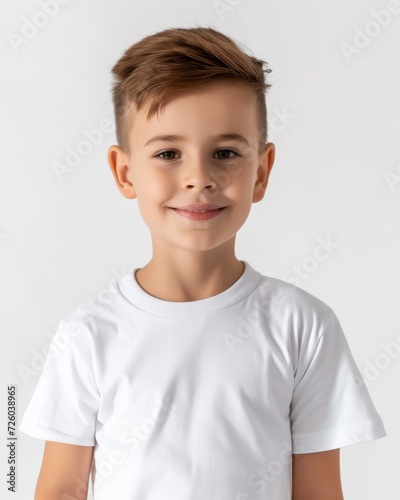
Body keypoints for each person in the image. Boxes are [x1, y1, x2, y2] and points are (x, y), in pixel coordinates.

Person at [20, 26, 386, 500]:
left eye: (225, 153)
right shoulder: (88, 333)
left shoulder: (304, 326)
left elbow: (318, 492)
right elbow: (60, 489)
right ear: (124, 172)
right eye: (169, 153)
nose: (199, 178)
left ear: (262, 172)